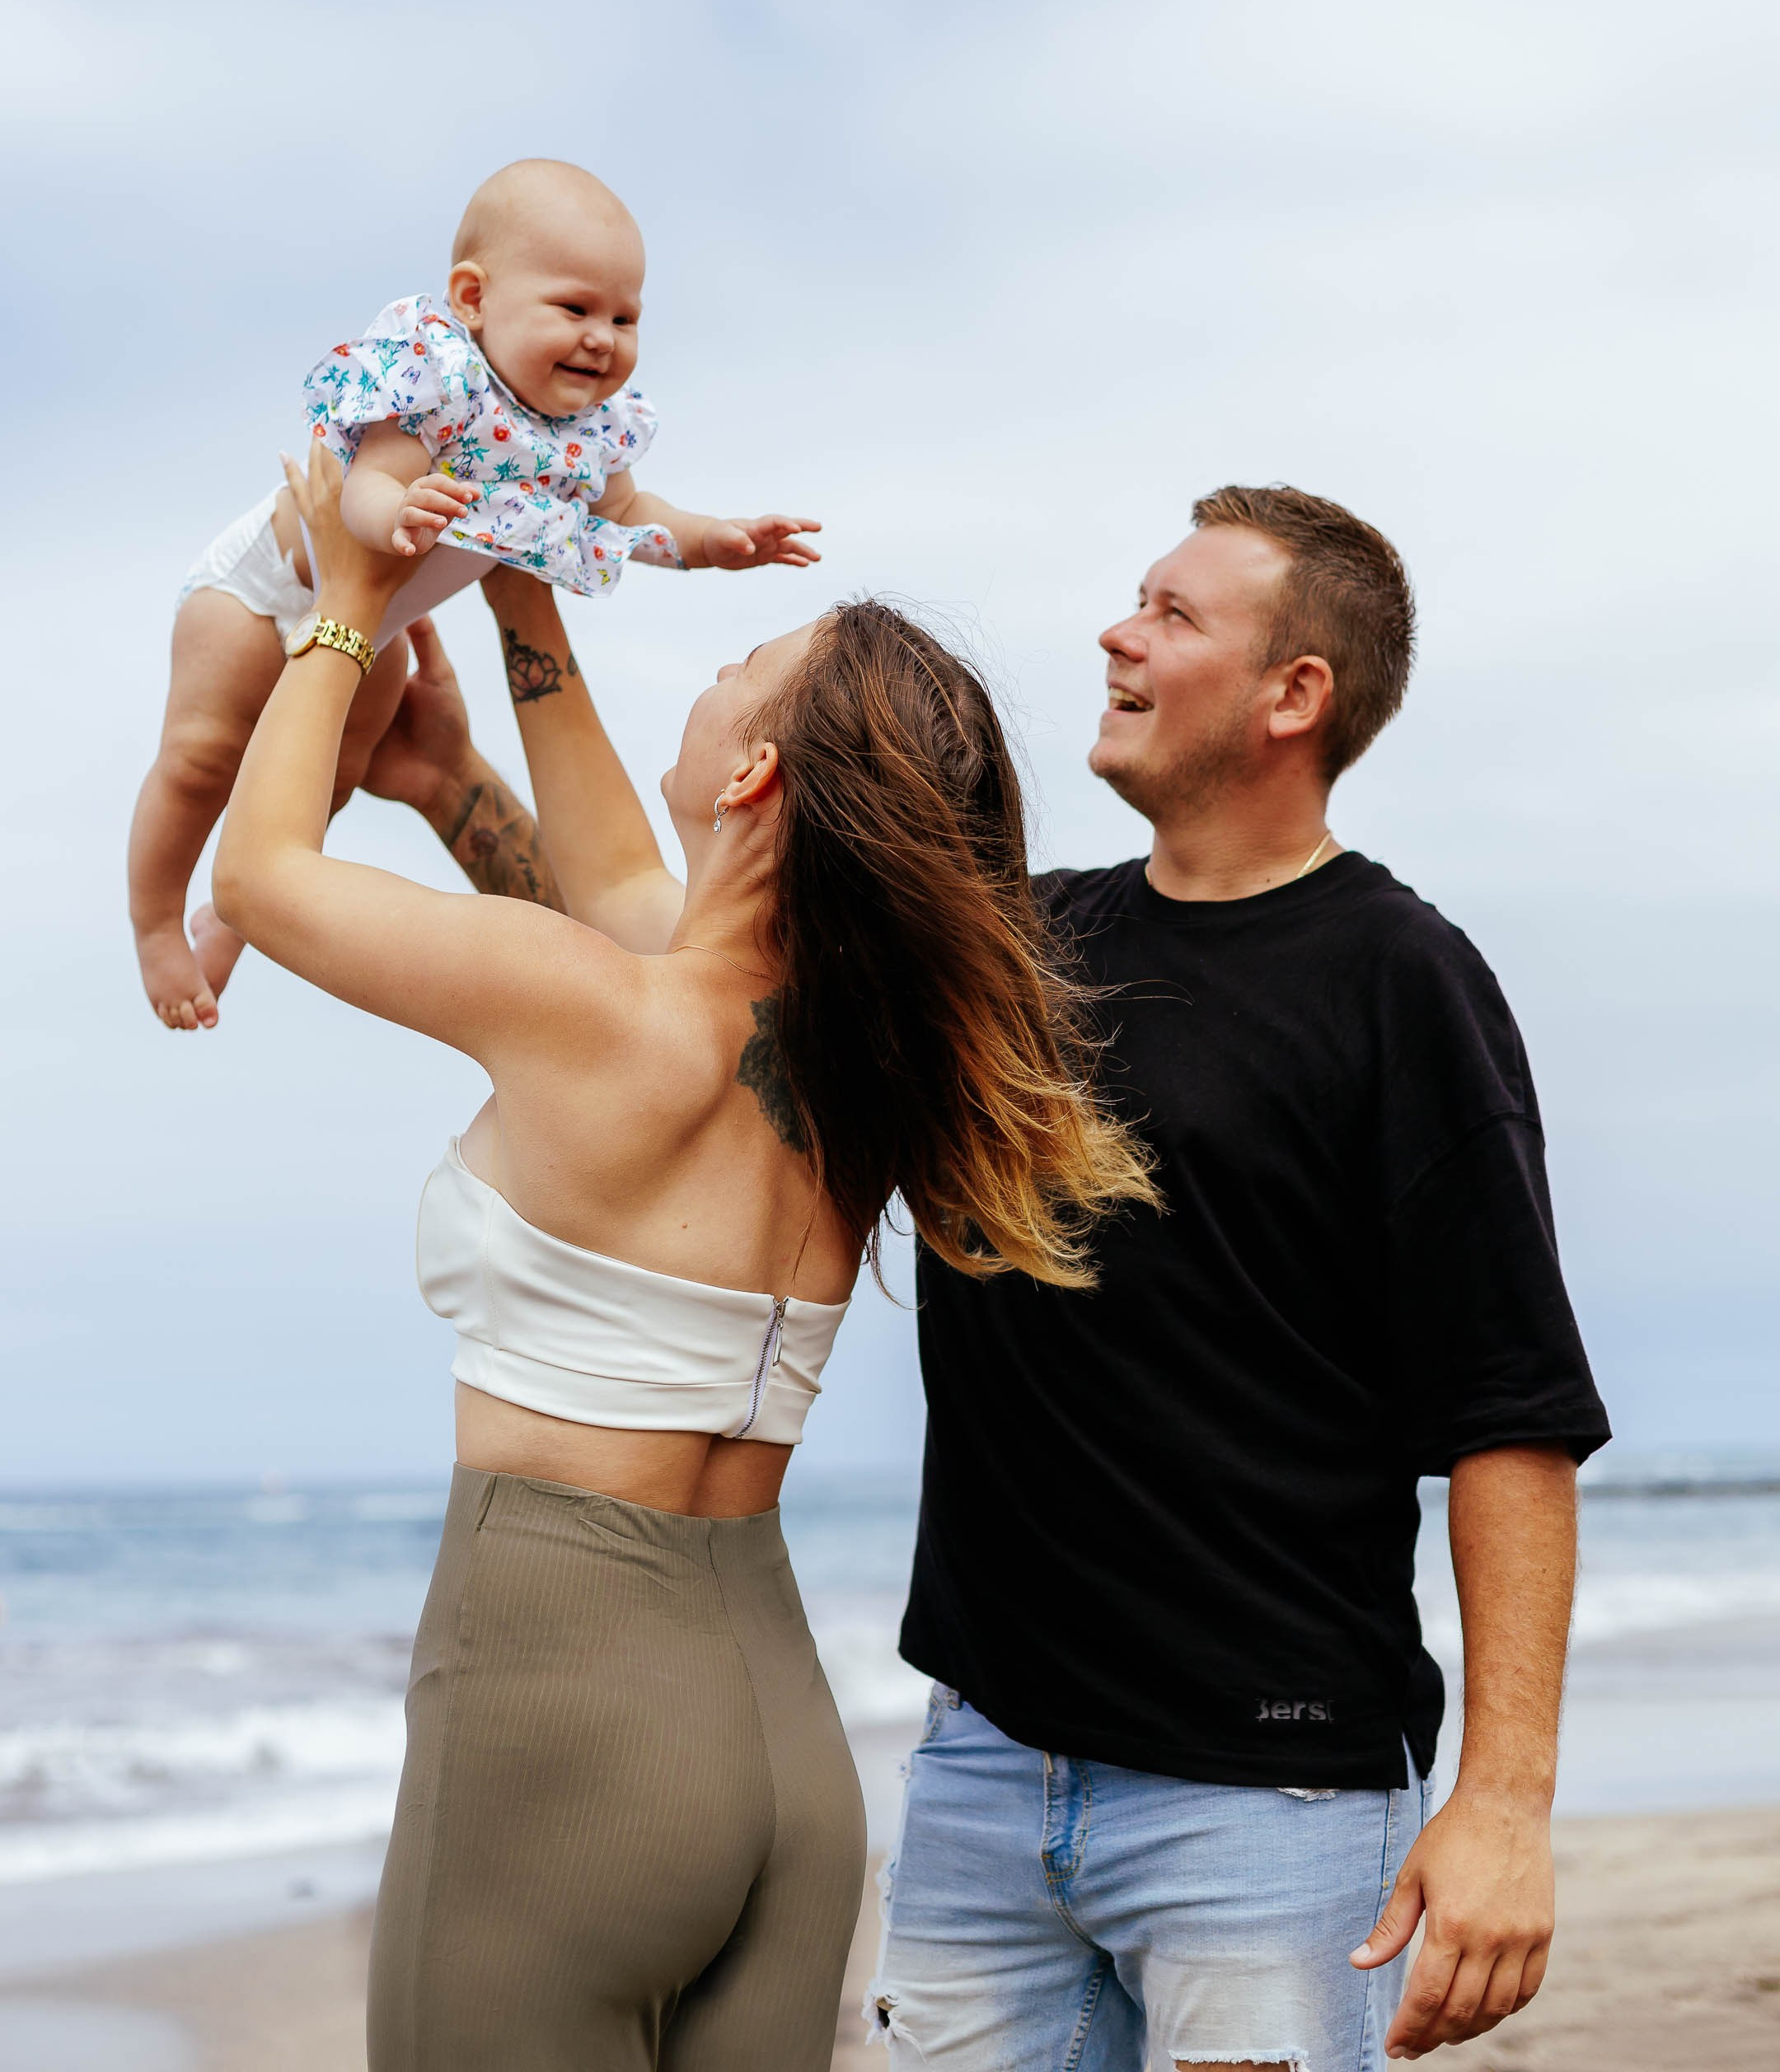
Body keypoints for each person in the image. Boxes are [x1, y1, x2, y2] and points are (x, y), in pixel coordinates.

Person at [208, 437, 1155, 2072]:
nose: (712, 675)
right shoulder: (853, 1071)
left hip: (561, 1709)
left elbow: (262, 877)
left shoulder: (597, 1010)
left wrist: (350, 601)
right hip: (780, 1747)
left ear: (755, 773)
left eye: (742, 668)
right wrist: (509, 595)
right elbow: (625, 890)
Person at [877, 484, 1611, 2068]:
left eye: (1172, 613)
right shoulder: (1025, 950)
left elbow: (1511, 1413)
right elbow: (694, 981)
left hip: (1267, 1806)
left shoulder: (1401, 980)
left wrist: (1504, 1804)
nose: (1116, 635)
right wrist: (459, 771)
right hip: (984, 1772)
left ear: (1295, 695)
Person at [129, 157, 818, 1032]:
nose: (602, 339)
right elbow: (364, 490)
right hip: (263, 590)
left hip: (373, 623)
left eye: (624, 317)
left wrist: (708, 542)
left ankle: (227, 927)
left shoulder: (587, 431)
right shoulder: (442, 378)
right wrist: (397, 513)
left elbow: (628, 513)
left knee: (334, 773)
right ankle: (157, 922)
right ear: (473, 298)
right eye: (574, 309)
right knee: (199, 759)